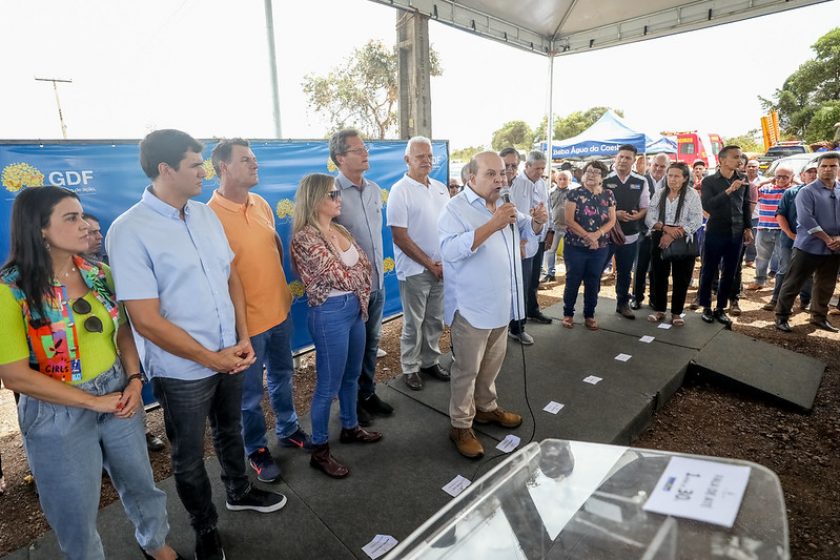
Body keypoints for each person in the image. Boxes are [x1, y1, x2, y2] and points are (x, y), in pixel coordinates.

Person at [107, 130, 286, 560]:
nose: (204, 171)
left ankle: (239, 491)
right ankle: (205, 528)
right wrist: (211, 358)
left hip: (229, 353)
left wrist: (242, 337)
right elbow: (145, 319)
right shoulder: (129, 230)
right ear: (164, 169)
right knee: (188, 456)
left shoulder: (204, 216)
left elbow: (231, 277)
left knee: (231, 430)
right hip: (182, 370)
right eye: (194, 165)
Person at [0, 186, 181, 560]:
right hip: (56, 410)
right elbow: (14, 376)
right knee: (74, 512)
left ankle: (156, 545)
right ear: (40, 230)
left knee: (141, 483)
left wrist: (134, 379)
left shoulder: (99, 273)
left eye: (83, 215)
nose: (86, 226)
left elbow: (125, 329)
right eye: (72, 218)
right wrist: (91, 401)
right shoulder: (10, 291)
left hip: (116, 393)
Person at [207, 138, 310, 485]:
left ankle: (288, 428)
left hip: (279, 314)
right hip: (245, 327)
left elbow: (274, 251)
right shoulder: (208, 216)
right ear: (224, 167)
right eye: (246, 159)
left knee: (282, 376)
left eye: (254, 158)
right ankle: (256, 448)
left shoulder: (262, 203)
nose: (255, 164)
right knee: (248, 397)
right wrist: (239, 328)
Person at [438, 152, 547, 458]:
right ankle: (460, 425)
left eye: (503, 173)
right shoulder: (454, 209)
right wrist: (492, 225)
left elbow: (528, 232)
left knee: (491, 365)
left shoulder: (504, 205)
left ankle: (485, 408)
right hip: (471, 307)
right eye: (492, 174)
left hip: (502, 304)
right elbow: (449, 251)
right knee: (467, 370)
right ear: (471, 178)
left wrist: (537, 223)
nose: (501, 179)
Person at [291, 174, 383, 478]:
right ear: (314, 199)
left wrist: (355, 274)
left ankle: (349, 425)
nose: (338, 198)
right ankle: (319, 449)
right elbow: (340, 276)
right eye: (332, 194)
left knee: (352, 375)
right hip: (330, 312)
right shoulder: (305, 238)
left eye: (337, 193)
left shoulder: (339, 228)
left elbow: (365, 265)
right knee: (327, 386)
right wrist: (356, 274)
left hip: (354, 308)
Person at [82, 212, 166, 453]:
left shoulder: (104, 271)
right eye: (90, 231)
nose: (98, 236)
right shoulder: (19, 286)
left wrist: (134, 377)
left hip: (117, 365)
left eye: (98, 230)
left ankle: (143, 432)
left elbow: (123, 325)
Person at [330, 129, 394, 427]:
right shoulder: (330, 193)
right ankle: (351, 403)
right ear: (340, 158)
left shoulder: (373, 189)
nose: (365, 153)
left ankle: (367, 394)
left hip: (377, 283)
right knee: (351, 351)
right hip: (350, 291)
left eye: (365, 147)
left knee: (371, 344)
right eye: (357, 149)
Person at [387, 137, 450, 391]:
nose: (426, 161)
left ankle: (429, 361)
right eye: (420, 156)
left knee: (434, 320)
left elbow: (448, 226)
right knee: (414, 323)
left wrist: (443, 263)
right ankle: (410, 367)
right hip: (415, 270)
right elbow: (399, 236)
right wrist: (429, 264)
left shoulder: (440, 188)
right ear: (407, 160)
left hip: (441, 269)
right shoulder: (399, 190)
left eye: (429, 156)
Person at [774, 153, 840, 333]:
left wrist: (838, 239)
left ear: (838, 169)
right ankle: (781, 316)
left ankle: (818, 317)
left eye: (832, 166)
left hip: (834, 249)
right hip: (808, 246)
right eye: (824, 166)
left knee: (826, 284)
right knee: (794, 282)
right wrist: (828, 239)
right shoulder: (806, 191)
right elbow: (806, 219)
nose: (828, 169)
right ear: (818, 168)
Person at [698, 145, 753, 326]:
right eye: (735, 157)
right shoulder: (709, 181)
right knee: (709, 271)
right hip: (715, 232)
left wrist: (748, 228)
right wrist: (729, 191)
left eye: (740, 157)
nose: (739, 160)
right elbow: (708, 206)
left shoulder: (742, 178)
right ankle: (706, 306)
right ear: (722, 160)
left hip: (736, 234)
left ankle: (720, 308)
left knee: (729, 273)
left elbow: (745, 206)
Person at [645, 163, 703, 326]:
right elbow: (649, 218)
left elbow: (696, 220)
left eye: (677, 176)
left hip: (683, 238)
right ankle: (659, 310)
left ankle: (677, 313)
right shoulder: (659, 193)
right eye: (670, 175)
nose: (672, 179)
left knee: (681, 278)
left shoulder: (692, 195)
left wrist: (673, 235)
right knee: (659, 275)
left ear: (685, 178)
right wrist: (665, 229)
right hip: (660, 236)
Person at [561, 160, 616, 330]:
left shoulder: (608, 194)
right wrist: (588, 236)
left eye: (596, 172)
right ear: (583, 174)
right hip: (575, 245)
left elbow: (612, 220)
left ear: (602, 177)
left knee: (593, 280)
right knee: (573, 279)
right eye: (589, 171)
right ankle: (568, 313)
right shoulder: (574, 194)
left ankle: (589, 314)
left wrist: (596, 236)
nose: (592, 174)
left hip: (600, 247)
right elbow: (569, 220)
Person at [508, 150, 553, 346]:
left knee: (534, 279)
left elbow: (547, 208)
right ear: (527, 167)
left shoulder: (542, 183)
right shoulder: (517, 185)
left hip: (539, 237)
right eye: (537, 168)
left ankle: (532, 310)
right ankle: (517, 327)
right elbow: (514, 216)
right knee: (522, 283)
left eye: (543, 168)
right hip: (523, 243)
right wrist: (519, 240)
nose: (541, 172)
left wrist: (549, 231)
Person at [603, 144, 649, 320]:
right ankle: (589, 307)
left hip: (630, 234)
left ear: (633, 161)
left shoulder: (641, 181)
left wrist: (637, 215)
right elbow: (596, 207)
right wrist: (615, 215)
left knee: (625, 271)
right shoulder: (605, 180)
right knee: (597, 269)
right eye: (620, 156)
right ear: (616, 157)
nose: (623, 160)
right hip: (606, 234)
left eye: (627, 158)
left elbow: (645, 207)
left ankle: (623, 303)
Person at [769, 162, 817, 311]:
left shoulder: (826, 194)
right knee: (784, 270)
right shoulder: (790, 193)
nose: (813, 174)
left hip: (813, 242)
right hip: (789, 239)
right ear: (802, 176)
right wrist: (790, 234)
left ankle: (806, 301)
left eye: (816, 171)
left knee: (808, 273)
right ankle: (776, 299)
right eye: (809, 172)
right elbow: (780, 214)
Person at [746, 165, 795, 292]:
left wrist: (794, 181)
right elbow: (752, 189)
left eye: (786, 177)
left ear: (791, 178)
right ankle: (759, 280)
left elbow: (805, 186)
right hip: (764, 228)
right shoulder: (766, 189)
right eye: (779, 176)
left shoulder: (792, 191)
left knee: (783, 258)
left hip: (783, 230)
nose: (782, 179)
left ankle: (782, 285)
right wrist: (768, 181)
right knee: (761, 257)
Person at [632, 153, 670, 310]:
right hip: (642, 231)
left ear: (667, 168)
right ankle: (636, 297)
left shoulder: (672, 182)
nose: (658, 169)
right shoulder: (641, 181)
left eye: (662, 166)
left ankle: (654, 298)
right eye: (656, 165)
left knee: (658, 268)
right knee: (640, 267)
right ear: (650, 164)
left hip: (662, 233)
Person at [542, 169, 573, 282]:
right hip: (554, 226)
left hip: (568, 228)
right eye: (560, 179)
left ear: (569, 180)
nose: (562, 181)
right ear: (556, 179)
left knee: (569, 252)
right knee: (551, 250)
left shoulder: (573, 193)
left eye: (565, 179)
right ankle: (550, 273)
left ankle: (570, 273)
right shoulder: (551, 192)